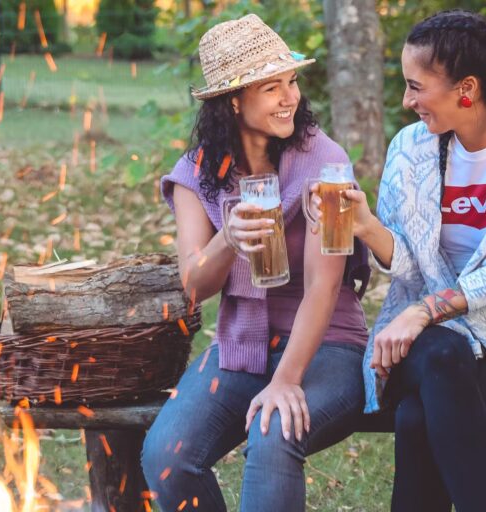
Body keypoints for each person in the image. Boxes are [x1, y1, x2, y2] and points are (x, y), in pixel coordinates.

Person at [316, 9, 486, 511]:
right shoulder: (410, 148)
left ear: (466, 88)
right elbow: (410, 265)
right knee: (443, 353)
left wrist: (423, 311)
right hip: (421, 346)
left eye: (416, 87)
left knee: (417, 419)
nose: (406, 101)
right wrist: (368, 227)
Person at [140, 14, 370, 512]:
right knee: (166, 454)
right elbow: (194, 285)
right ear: (233, 100)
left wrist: (286, 380)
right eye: (271, 87)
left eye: (291, 81)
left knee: (274, 430)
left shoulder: (323, 160)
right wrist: (228, 239)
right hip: (242, 347)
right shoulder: (197, 174)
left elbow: (323, 287)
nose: (290, 98)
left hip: (328, 346)